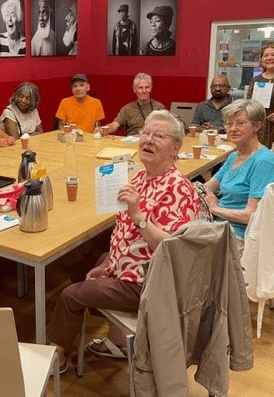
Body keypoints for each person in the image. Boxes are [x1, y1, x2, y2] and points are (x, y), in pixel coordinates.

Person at [47, 110, 201, 373]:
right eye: (146, 133)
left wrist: (139, 217)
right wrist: (108, 263)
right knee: (83, 267)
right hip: (129, 271)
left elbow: (174, 249)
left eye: (159, 136)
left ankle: (57, 356)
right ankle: (117, 339)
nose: (148, 140)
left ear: (176, 147)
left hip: (149, 282)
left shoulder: (178, 189)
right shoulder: (142, 176)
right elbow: (123, 233)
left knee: (70, 294)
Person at [204, 100, 274, 252]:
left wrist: (215, 208)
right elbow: (207, 186)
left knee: (179, 249)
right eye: (229, 123)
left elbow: (251, 215)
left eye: (240, 123)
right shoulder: (234, 156)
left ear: (257, 126)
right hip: (220, 224)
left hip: (241, 235)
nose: (232, 129)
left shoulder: (264, 162)